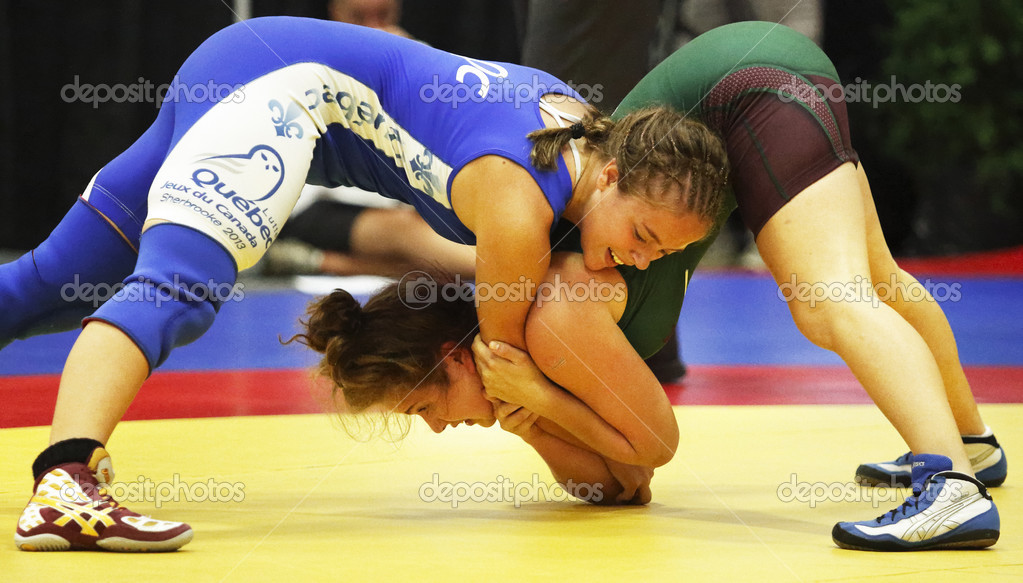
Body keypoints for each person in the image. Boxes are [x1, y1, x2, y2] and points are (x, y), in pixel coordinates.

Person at [3, 16, 727, 552]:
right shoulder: (518, 209)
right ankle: (67, 479)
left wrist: (591, 439)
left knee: (50, 285)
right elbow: (509, 381)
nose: (637, 261)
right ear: (608, 175)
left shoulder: (577, 125)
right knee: (181, 287)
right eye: (642, 238)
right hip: (278, 87)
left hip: (252, 60)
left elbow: (616, 470)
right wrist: (561, 415)